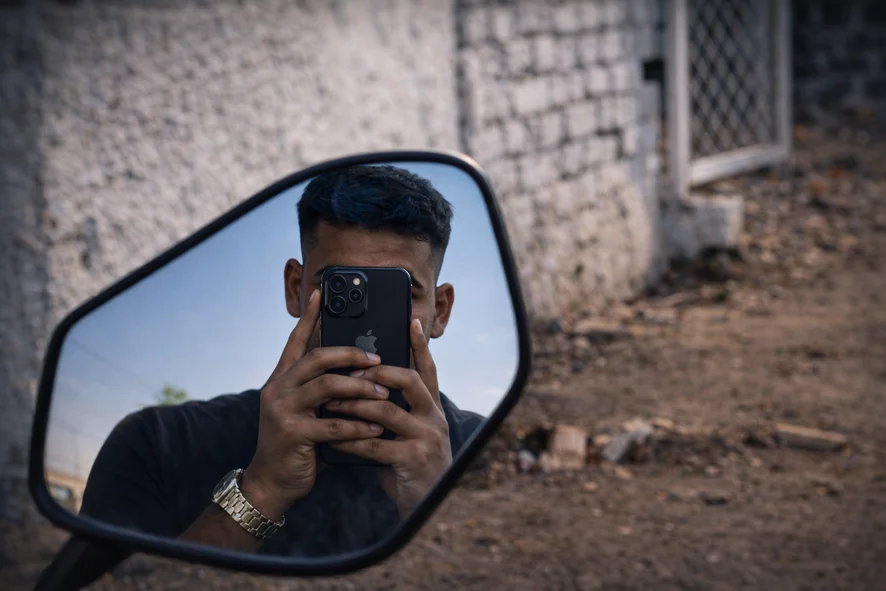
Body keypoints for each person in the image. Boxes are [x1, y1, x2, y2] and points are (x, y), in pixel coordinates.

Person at [77, 165, 484, 557]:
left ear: (440, 310)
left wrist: (437, 508)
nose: (368, 330)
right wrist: (262, 490)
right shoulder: (161, 445)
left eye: (398, 294)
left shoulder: (484, 451)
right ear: (294, 288)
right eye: (341, 289)